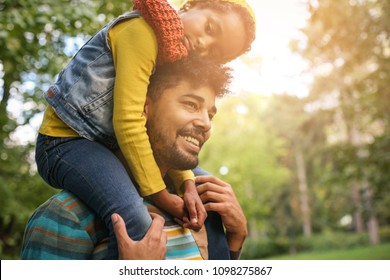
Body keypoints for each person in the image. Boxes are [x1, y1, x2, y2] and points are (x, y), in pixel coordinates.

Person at [35, 0, 255, 259]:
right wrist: (161, 195)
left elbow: (155, 135)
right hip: (66, 141)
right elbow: (129, 120)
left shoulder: (167, 55)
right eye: (209, 27)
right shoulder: (142, 32)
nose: (204, 45)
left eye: (216, 53)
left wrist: (188, 185)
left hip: (103, 143)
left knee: (209, 196)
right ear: (188, 6)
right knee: (133, 218)